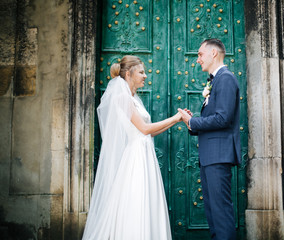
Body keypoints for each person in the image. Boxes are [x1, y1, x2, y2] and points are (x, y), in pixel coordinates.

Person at [83, 55, 181, 240]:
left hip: (145, 154)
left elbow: (148, 132)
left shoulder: (133, 98)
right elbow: (144, 129)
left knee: (147, 202)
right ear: (129, 73)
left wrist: (177, 121)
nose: (145, 76)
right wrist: (176, 118)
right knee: (137, 202)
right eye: (142, 72)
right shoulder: (121, 98)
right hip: (136, 158)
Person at [178, 39, 241, 240]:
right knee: (213, 213)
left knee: (220, 213)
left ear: (214, 53)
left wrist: (194, 121)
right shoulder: (215, 80)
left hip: (218, 156)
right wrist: (192, 123)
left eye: (200, 54)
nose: (198, 60)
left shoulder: (226, 79)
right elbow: (215, 118)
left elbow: (223, 118)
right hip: (210, 156)